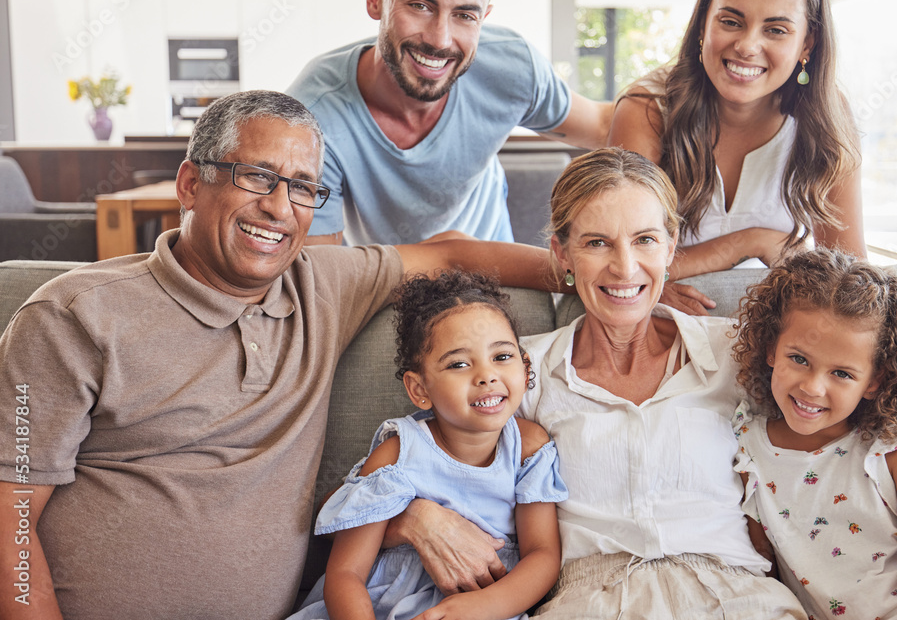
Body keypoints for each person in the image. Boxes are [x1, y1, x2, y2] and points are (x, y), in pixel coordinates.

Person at [0, 90, 564, 620]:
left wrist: (586, 276)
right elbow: (10, 517)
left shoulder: (321, 286)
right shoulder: (71, 318)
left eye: (302, 187)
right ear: (191, 184)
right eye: (258, 177)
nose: (279, 207)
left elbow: (449, 253)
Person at [390, 148, 807, 618]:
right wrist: (413, 517)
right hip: (592, 602)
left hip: (737, 599)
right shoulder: (518, 374)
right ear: (562, 254)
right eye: (596, 243)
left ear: (671, 247)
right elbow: (382, 479)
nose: (625, 268)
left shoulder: (738, 353)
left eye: (645, 240)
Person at [287, 0, 612, 249]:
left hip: (497, 269)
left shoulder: (512, 66)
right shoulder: (311, 117)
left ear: (483, 18)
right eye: (419, 6)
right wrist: (451, 255)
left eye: (464, 15)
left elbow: (607, 125)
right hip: (381, 281)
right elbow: (325, 275)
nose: (440, 40)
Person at [731, 248, 897, 619]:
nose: (812, 387)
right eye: (799, 359)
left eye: (841, 373)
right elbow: (765, 574)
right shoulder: (747, 446)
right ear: (771, 348)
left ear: (874, 381)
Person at [288, 270, 567, 620]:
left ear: (526, 370)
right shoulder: (397, 453)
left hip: (488, 605)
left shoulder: (529, 447)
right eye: (459, 364)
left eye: (502, 357)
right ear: (419, 389)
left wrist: (482, 607)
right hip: (380, 605)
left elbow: (542, 555)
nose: (486, 375)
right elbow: (346, 573)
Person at [609, 0, 865, 299]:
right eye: (731, 21)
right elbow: (621, 264)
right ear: (703, 26)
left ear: (807, 44)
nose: (747, 46)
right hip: (664, 321)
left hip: (775, 327)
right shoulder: (646, 109)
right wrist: (750, 242)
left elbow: (849, 278)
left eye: (776, 30)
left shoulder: (827, 115)